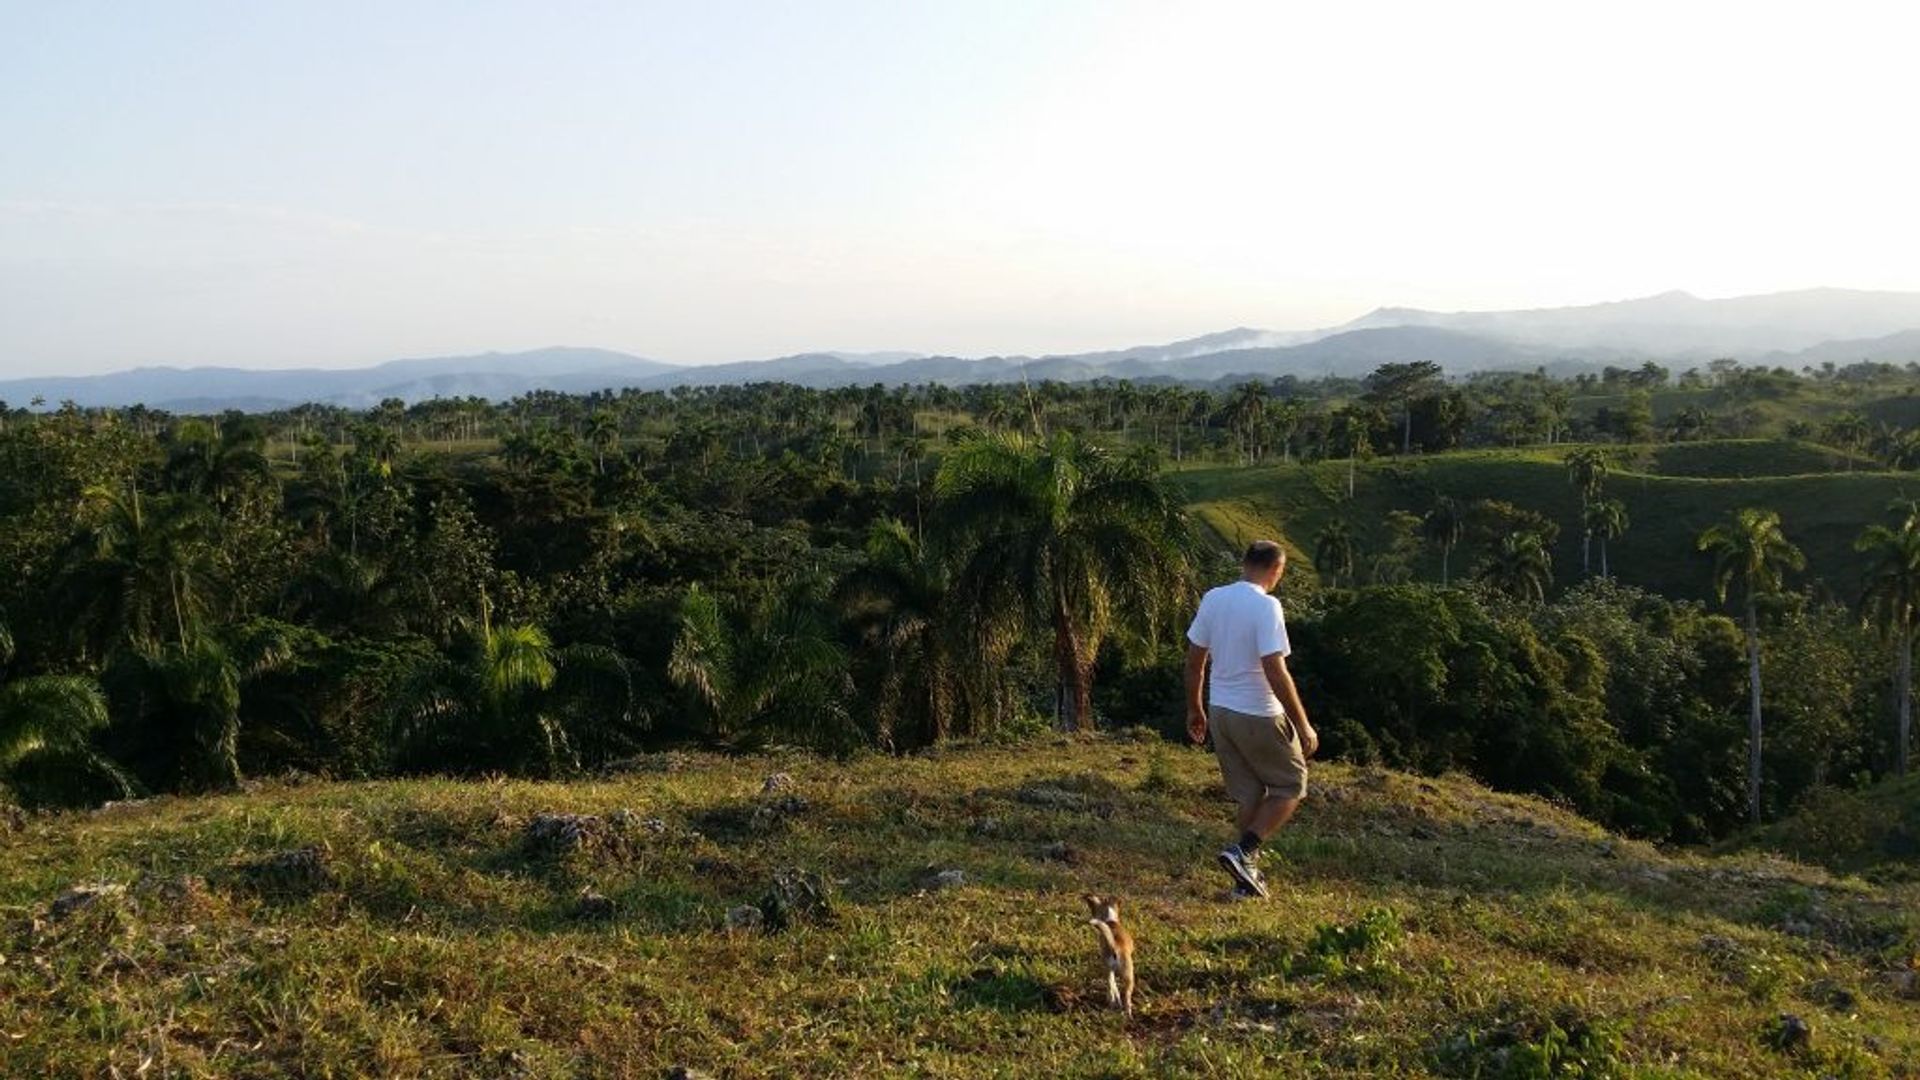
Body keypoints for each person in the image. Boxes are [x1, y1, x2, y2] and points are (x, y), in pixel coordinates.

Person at [1184, 540, 1317, 898]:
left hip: (1221, 712)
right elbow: (1275, 670)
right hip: (1257, 711)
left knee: (1249, 793)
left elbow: (1195, 661)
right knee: (1291, 784)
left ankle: (1245, 878)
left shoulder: (1214, 598)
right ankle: (1243, 852)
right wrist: (1302, 723)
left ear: (1244, 563)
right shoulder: (1267, 606)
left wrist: (1195, 708)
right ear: (1277, 570)